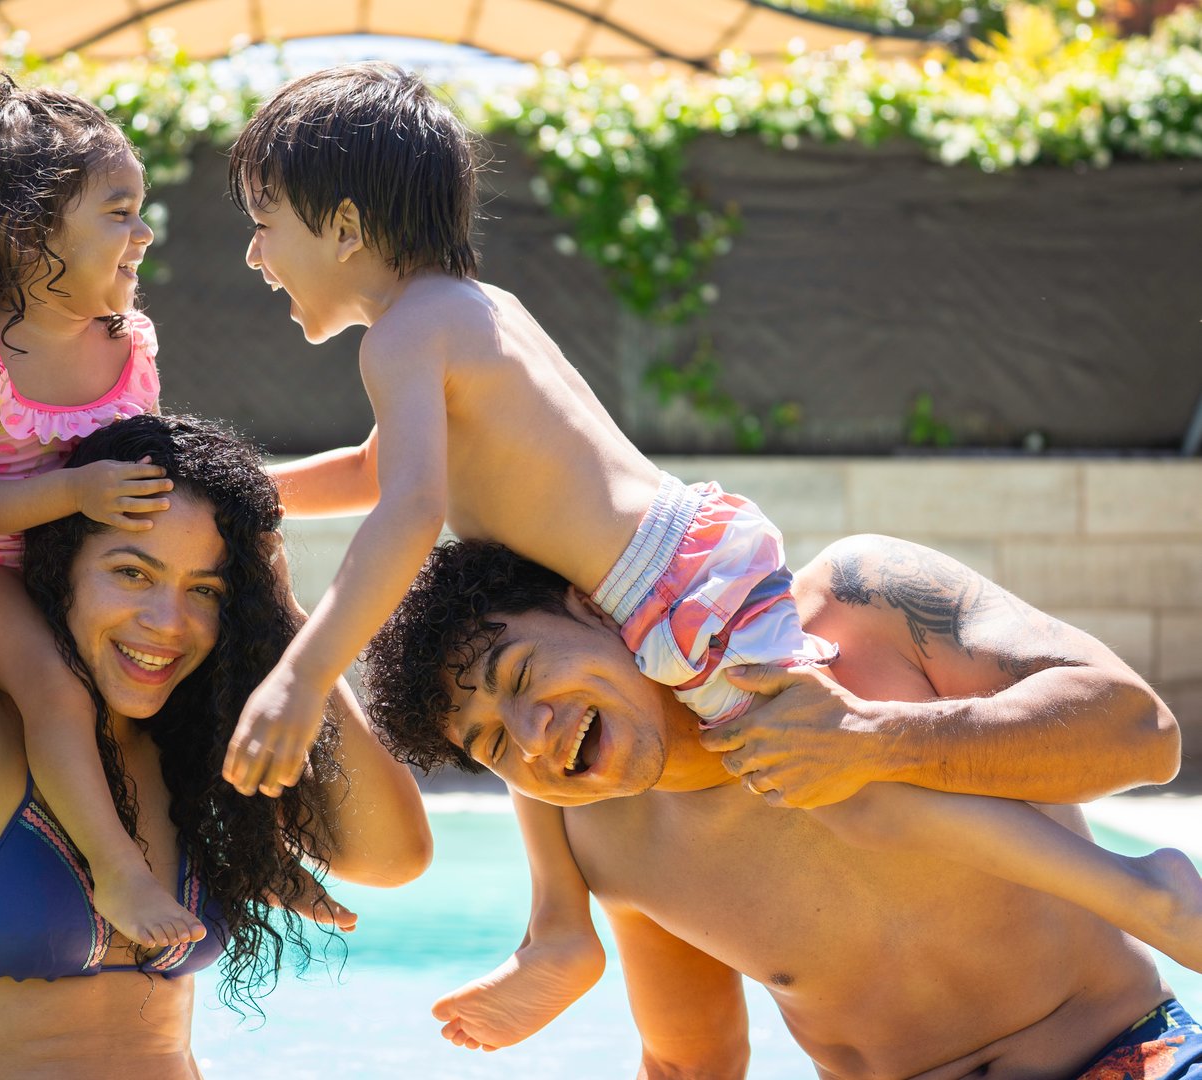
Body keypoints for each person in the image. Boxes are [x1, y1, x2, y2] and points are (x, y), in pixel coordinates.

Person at [219, 60, 1202, 1049]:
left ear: (344, 226)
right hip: (678, 574)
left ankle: (1137, 890)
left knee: (846, 792)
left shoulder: (396, 342)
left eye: (266, 224)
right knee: (530, 720)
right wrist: (244, 493)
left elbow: (405, 511)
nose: (257, 256)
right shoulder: (467, 314)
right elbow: (371, 468)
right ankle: (557, 930)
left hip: (671, 595)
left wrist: (303, 681)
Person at [363, 535, 1202, 1077]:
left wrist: (876, 739)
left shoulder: (858, 607)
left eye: (520, 676)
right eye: (495, 745)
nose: (534, 737)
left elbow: (1142, 734)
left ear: (589, 605)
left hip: (1126, 1056)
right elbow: (694, 1061)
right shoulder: (611, 840)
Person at [0, 415, 431, 1077]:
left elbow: (392, 856)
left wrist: (287, 626)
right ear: (58, 566)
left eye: (205, 590)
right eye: (132, 573)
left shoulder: (189, 749)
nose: (166, 623)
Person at [0, 69, 202, 951]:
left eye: (140, 209)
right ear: (30, 234)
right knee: (61, 694)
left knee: (207, 669)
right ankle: (116, 870)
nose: (144, 233)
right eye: (119, 212)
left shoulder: (125, 337)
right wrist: (70, 493)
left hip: (76, 569)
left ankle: (257, 844)